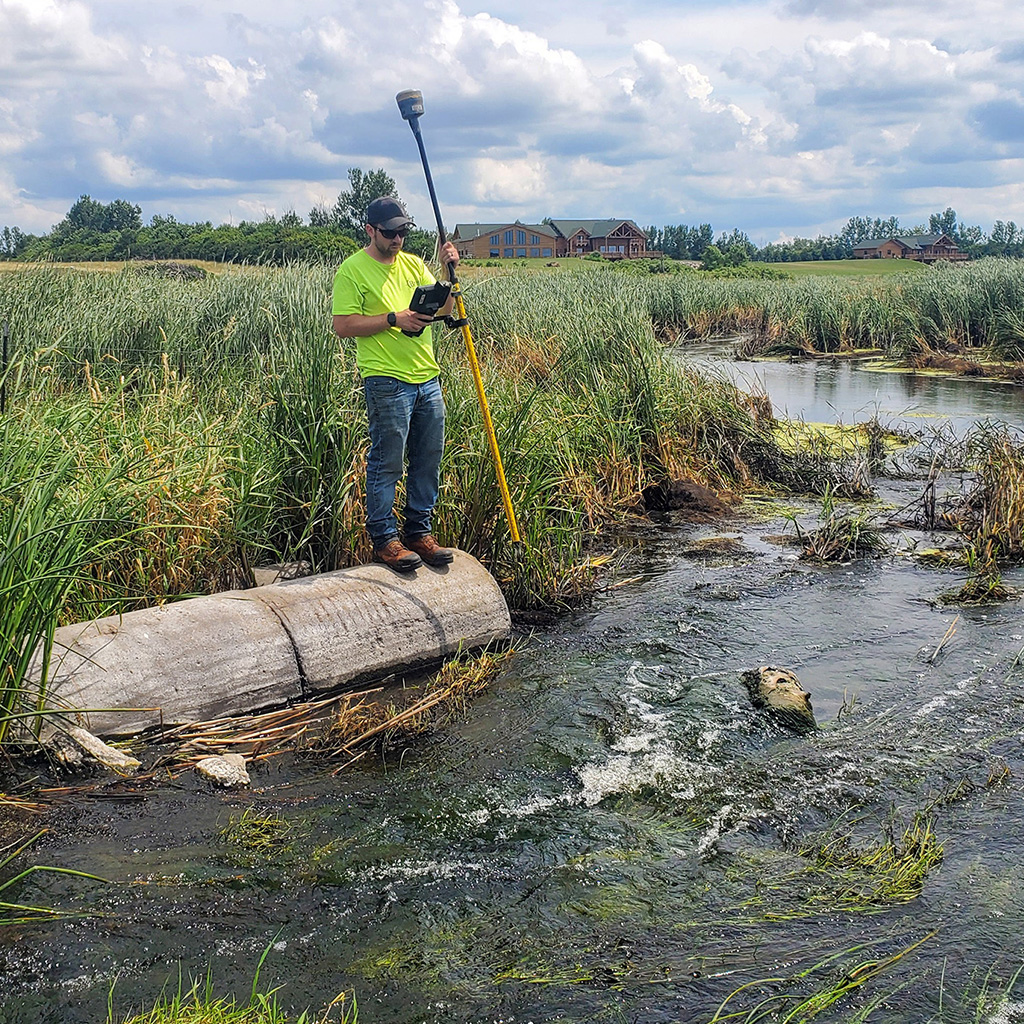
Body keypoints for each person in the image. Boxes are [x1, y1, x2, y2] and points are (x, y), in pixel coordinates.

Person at [331, 195, 460, 572]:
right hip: (386, 379)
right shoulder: (352, 271)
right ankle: (385, 540)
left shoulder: (414, 264)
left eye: (403, 231)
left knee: (428, 458)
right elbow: (343, 326)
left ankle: (420, 532)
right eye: (390, 232)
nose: (398, 239)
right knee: (387, 461)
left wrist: (448, 274)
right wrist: (394, 319)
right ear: (370, 230)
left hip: (427, 376)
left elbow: (445, 312)